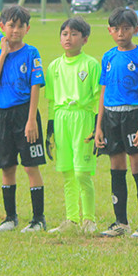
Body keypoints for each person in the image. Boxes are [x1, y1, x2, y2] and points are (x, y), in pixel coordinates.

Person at [0, 4, 48, 232]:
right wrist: (3, 53)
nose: (16, 30)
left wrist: (31, 120)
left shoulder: (31, 53)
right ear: (2, 27)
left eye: (21, 26)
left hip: (25, 114)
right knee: (7, 167)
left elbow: (35, 86)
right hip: (2, 116)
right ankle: (10, 218)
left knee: (31, 167)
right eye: (11, 25)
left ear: (27, 29)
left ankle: (38, 219)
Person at [95, 9, 138, 238]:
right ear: (110, 31)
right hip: (111, 117)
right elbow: (103, 92)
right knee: (116, 167)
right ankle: (121, 222)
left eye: (126, 28)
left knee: (137, 166)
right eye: (116, 28)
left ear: (135, 30)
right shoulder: (108, 57)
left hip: (133, 117)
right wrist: (99, 125)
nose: (121, 33)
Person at [44, 16, 103, 234]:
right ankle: (71, 219)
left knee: (82, 172)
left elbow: (98, 98)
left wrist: (98, 126)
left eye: (74, 34)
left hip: (83, 118)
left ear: (85, 39)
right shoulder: (54, 66)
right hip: (61, 120)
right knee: (68, 172)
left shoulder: (90, 65)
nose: (68, 38)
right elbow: (51, 99)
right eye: (65, 34)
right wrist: (50, 128)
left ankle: (89, 219)